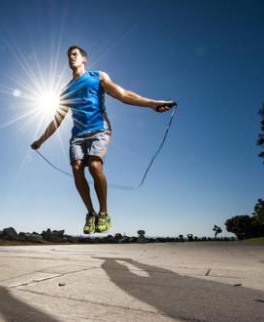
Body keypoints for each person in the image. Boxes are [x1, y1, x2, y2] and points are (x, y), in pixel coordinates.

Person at [30, 45, 175, 234]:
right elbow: (57, 119)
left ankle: (104, 213)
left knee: (95, 166)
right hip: (77, 136)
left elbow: (123, 94)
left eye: (75, 55)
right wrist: (41, 141)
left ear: (84, 59)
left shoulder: (97, 76)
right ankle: (91, 214)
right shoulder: (65, 90)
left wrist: (152, 104)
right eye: (68, 56)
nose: (71, 58)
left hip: (99, 129)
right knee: (76, 168)